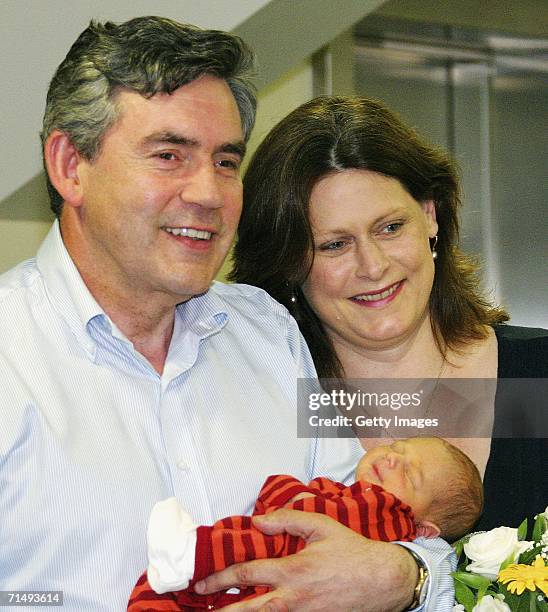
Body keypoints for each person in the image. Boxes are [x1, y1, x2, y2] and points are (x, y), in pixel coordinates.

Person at [0, 17, 454, 612]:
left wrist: (403, 576)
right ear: (69, 165)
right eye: (169, 155)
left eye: (225, 162)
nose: (209, 194)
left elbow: (374, 524)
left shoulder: (266, 333)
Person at [229, 96, 548, 538]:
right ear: (287, 264)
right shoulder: (261, 405)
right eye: (334, 245)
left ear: (430, 216)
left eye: (390, 228)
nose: (373, 266)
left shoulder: (538, 376)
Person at [127, 438, 483, 611]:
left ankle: (189, 550)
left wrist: (297, 501)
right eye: (397, 447)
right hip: (249, 580)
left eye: (408, 472)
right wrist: (293, 496)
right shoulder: (340, 488)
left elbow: (317, 515)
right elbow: (275, 490)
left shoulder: (388, 514)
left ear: (422, 530)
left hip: (274, 580)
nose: (391, 457)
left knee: (209, 559)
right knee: (162, 591)